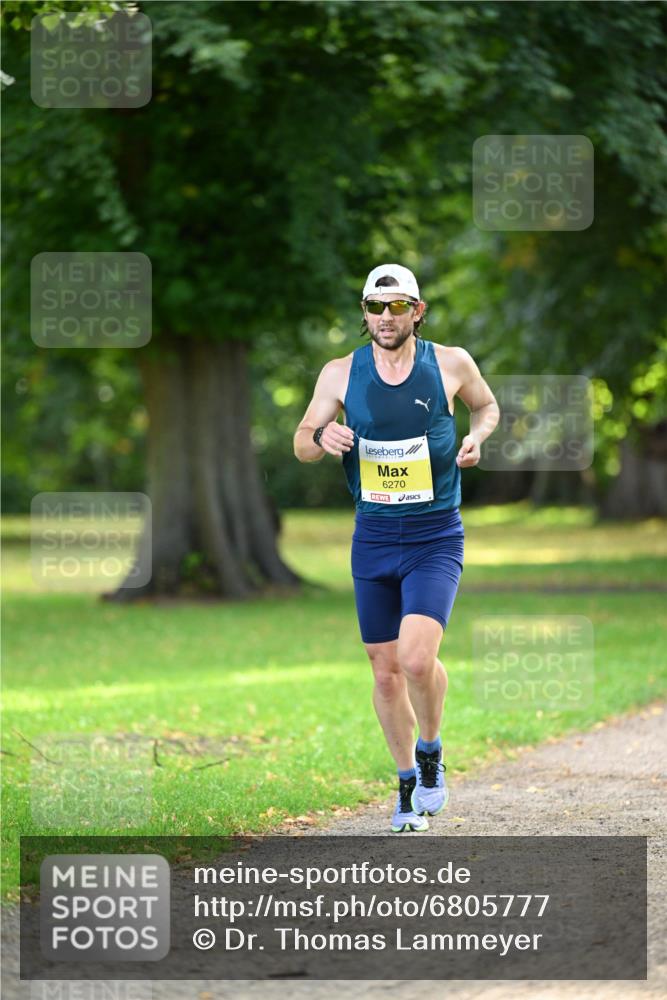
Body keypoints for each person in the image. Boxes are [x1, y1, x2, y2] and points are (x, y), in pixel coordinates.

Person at [293, 263, 499, 832]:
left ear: (418, 310)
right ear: (364, 313)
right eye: (376, 307)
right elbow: (301, 442)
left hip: (435, 535)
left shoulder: (451, 363)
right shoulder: (339, 373)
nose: (387, 317)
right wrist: (319, 436)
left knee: (414, 658)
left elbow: (486, 406)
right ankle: (407, 783)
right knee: (384, 670)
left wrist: (477, 437)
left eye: (398, 306)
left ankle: (431, 751)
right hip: (374, 535)